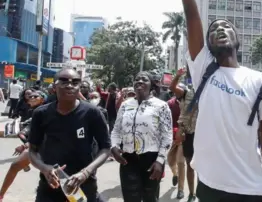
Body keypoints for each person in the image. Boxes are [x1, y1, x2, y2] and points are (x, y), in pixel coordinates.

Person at [173, 0, 262, 201]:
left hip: (250, 189)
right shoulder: (204, 69)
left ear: (238, 40)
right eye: (214, 29)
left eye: (227, 27)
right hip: (208, 187)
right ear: (207, 45)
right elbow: (191, 11)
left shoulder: (261, 81)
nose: (220, 29)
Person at [28, 68, 111, 202]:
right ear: (54, 87)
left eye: (75, 82)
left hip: (83, 185)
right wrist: (44, 168)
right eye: (64, 81)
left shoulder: (93, 113)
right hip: (50, 186)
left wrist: (85, 173)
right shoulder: (41, 114)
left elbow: (106, 149)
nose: (70, 85)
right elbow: (32, 151)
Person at [110, 71, 173, 202]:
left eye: (144, 79)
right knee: (130, 198)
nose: (139, 81)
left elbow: (167, 136)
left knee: (150, 198)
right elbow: (116, 130)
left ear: (151, 85)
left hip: (151, 160)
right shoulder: (125, 105)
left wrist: (160, 161)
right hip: (128, 159)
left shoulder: (161, 106)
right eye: (137, 79)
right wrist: (114, 147)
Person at [0, 90, 45, 202]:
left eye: (36, 96)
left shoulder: (47, 111)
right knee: (15, 166)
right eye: (30, 96)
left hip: (51, 150)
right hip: (36, 148)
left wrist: (25, 145)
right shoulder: (33, 112)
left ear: (42, 99)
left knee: (57, 179)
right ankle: (1, 195)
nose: (32, 98)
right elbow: (24, 128)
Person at [170, 67, 196, 202]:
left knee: (205, 166)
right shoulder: (186, 93)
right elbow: (172, 87)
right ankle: (192, 194)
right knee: (189, 164)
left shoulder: (210, 92)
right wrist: (177, 75)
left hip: (205, 134)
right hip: (189, 133)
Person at [167, 90, 186, 199]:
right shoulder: (169, 104)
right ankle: (175, 174)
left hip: (184, 137)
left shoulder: (188, 103)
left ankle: (181, 189)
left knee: (180, 162)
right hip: (172, 137)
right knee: (170, 160)